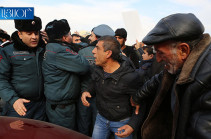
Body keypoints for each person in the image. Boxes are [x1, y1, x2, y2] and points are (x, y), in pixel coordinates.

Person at [131, 13, 211, 139]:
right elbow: (158, 79)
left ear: (183, 50)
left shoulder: (206, 80)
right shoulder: (180, 64)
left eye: (161, 53)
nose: (157, 59)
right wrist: (137, 97)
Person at [81, 36, 144, 139]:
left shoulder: (130, 77)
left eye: (97, 48)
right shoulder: (98, 68)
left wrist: (132, 125)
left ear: (108, 53)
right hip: (101, 119)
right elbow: (94, 82)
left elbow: (141, 104)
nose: (93, 51)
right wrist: (87, 91)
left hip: (122, 123)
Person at [43, 19, 90, 129]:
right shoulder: (60, 51)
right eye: (69, 34)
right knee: (64, 134)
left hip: (57, 104)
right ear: (64, 38)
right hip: (62, 108)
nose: (71, 37)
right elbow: (84, 66)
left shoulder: (51, 47)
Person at [0, 16, 46, 120]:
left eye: (36, 33)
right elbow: (1, 79)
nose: (34, 37)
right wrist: (14, 100)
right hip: (19, 106)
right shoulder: (7, 51)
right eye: (29, 34)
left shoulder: (43, 49)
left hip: (41, 106)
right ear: (19, 34)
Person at [77, 24, 115, 136]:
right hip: (103, 97)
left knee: (83, 126)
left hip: (84, 95)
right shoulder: (114, 55)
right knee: (98, 128)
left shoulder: (82, 52)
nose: (89, 37)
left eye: (92, 35)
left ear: (98, 39)